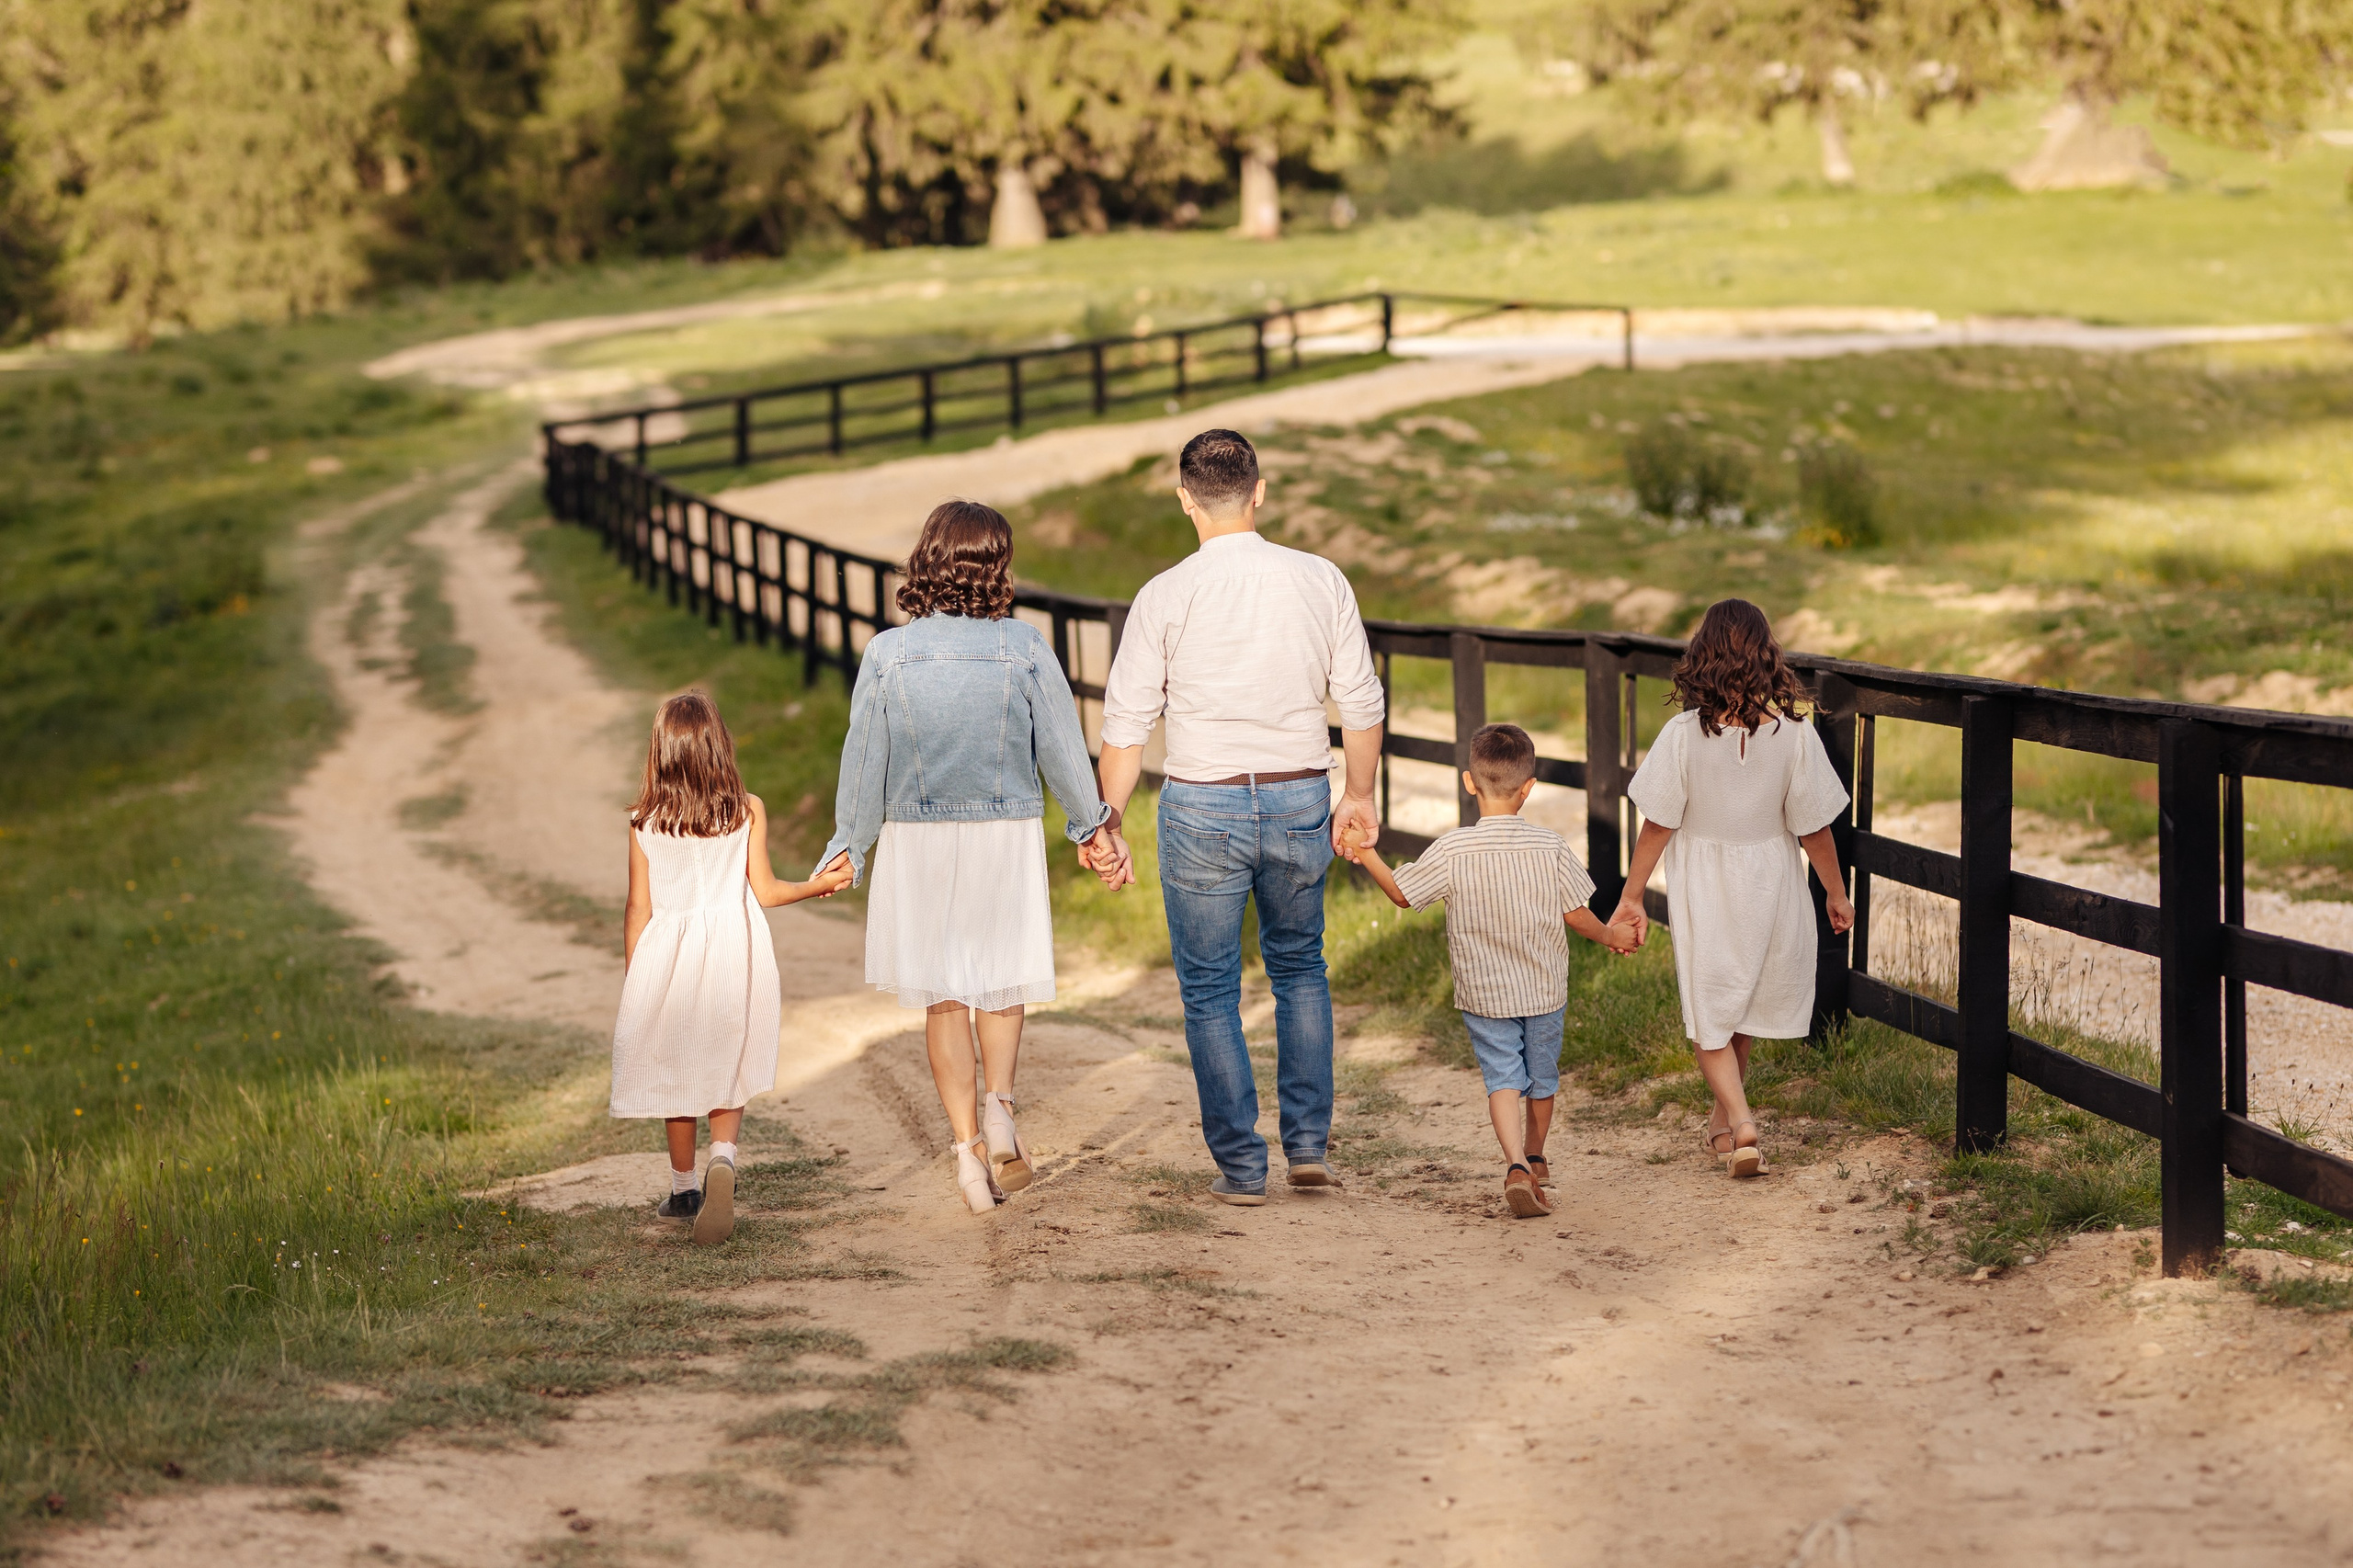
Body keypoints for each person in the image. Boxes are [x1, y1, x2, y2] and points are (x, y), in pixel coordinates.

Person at [1091, 428, 1387, 1206]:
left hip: (1202, 805)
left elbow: (1126, 726)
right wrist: (1357, 795)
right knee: (1300, 967)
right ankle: (1308, 1145)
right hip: (1298, 794)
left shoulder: (1164, 594)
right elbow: (1359, 703)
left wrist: (1108, 821)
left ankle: (1243, 1167)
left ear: (1184, 499)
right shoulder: (1320, 579)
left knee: (1211, 990)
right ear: (1260, 492)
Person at [817, 500, 1119, 1215]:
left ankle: (964, 1155)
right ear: (997, 565)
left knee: (943, 997)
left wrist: (848, 848)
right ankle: (1001, 1109)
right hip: (1002, 836)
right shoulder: (1025, 646)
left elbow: (864, 762)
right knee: (1001, 983)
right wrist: (1091, 826)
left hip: (917, 840)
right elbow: (1064, 752)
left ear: (926, 558)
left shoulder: (888, 654)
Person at [1344, 723, 1640, 1218]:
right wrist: (1612, 936)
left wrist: (1366, 851)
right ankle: (1537, 1155)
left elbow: (1401, 893)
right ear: (1529, 788)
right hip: (1544, 990)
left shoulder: (1452, 850)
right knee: (1542, 1079)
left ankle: (1515, 1165)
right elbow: (1576, 915)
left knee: (1503, 1078)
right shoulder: (1551, 847)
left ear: (1468, 782)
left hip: (1485, 994)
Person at [1608, 598, 1853, 1178]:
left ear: (1704, 657)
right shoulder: (1795, 735)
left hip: (1707, 884)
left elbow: (1659, 822)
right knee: (1736, 1005)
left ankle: (1741, 1122)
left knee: (1712, 1004)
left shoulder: (1681, 735)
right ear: (1768, 658)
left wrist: (1632, 893)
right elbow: (1813, 826)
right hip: (1773, 879)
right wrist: (1835, 894)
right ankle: (1726, 1122)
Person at [612, 691, 853, 1245]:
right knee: (727, 1054)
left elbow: (637, 907)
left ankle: (683, 1190)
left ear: (661, 753)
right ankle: (723, 1156)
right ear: (720, 746)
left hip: (666, 954)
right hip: (731, 949)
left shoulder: (643, 820)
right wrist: (821, 882)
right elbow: (765, 892)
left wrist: (637, 977)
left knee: (676, 1066)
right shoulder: (746, 810)